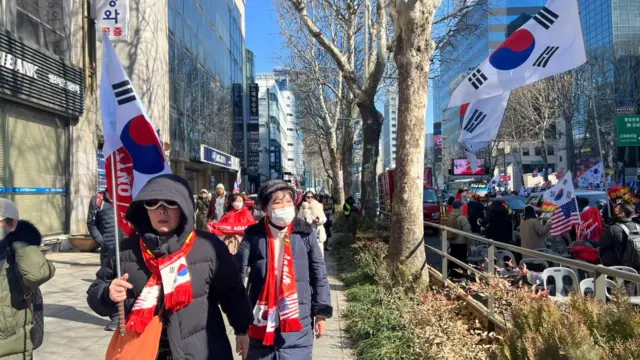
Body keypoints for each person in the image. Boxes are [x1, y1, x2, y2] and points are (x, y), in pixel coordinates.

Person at [87, 175, 253, 359]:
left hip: (201, 349)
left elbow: (233, 292)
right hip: (143, 350)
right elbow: (96, 292)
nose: (161, 211)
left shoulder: (207, 246)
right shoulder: (127, 250)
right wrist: (108, 294)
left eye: (170, 203)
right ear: (144, 208)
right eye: (153, 203)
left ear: (183, 208)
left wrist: (242, 330)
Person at [236, 180, 332, 360]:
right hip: (259, 321)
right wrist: (240, 328)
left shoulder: (304, 233)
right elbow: (236, 280)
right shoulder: (254, 235)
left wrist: (321, 314)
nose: (284, 207)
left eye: (288, 201)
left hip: (298, 322)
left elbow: (319, 274)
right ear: (266, 208)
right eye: (277, 202)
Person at [0, 198, 56, 359]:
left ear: (12, 225)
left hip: (11, 345)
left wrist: (22, 242)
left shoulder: (18, 253)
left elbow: (37, 274)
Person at [86, 190, 125, 331]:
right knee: (109, 282)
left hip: (128, 248)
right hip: (108, 250)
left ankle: (127, 313)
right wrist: (101, 241)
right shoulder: (98, 200)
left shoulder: (129, 198)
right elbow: (91, 224)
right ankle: (116, 316)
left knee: (128, 281)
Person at [599, 202, 636, 267]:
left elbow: (602, 246)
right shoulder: (638, 226)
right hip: (635, 266)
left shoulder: (612, 229)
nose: (614, 214)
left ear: (623, 214)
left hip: (617, 268)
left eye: (616, 212)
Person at [298, 191, 328, 257]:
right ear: (305, 198)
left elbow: (324, 219)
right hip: (307, 234)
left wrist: (319, 220)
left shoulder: (318, 206)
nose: (310, 199)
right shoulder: (302, 208)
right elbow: (299, 221)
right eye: (308, 197)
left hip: (318, 233)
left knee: (320, 254)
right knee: (309, 255)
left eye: (312, 197)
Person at [449, 201, 471, 278]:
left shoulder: (449, 216)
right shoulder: (462, 218)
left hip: (452, 241)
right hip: (461, 242)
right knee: (461, 258)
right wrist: (470, 242)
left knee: (453, 256)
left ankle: (452, 273)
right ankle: (460, 275)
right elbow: (467, 231)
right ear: (460, 207)